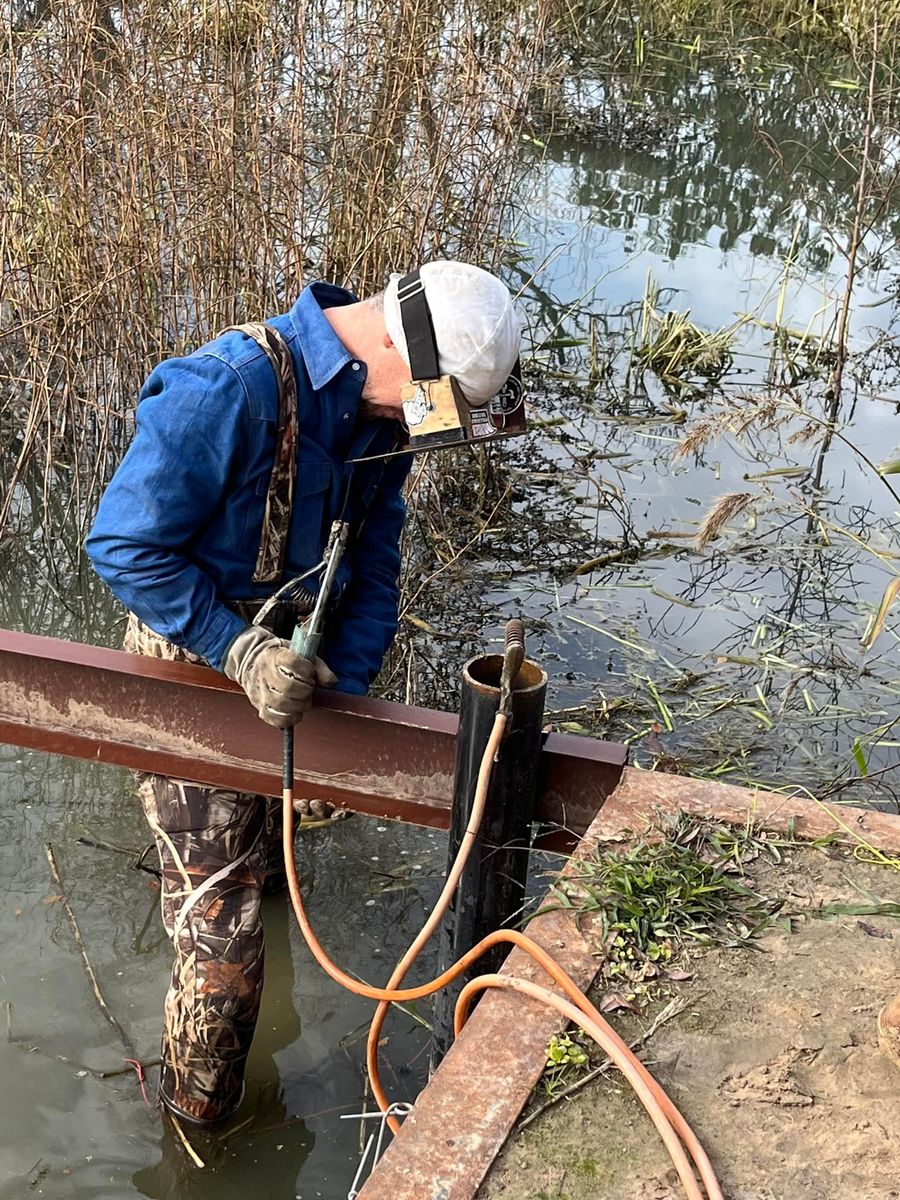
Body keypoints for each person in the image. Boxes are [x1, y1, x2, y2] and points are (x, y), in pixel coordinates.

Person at [85, 259, 522, 1126]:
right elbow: (124, 547)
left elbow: (377, 564)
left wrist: (344, 707)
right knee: (226, 943)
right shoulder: (230, 388)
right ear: (403, 347)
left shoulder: (376, 413)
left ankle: (211, 882)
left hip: (295, 675)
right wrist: (237, 649)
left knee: (267, 874)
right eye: (435, 399)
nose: (429, 421)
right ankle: (196, 1130)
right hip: (191, 671)